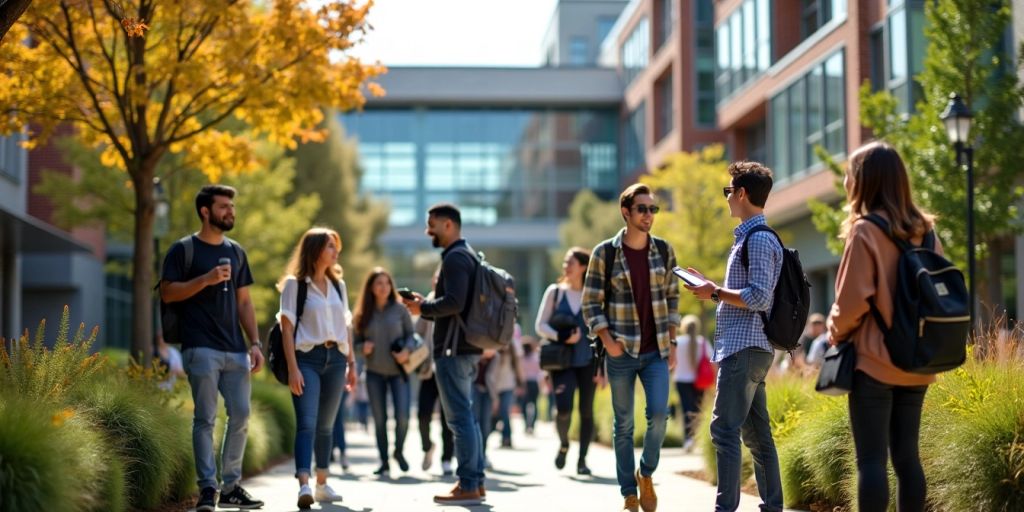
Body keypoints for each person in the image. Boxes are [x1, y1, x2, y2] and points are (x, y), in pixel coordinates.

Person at [827, 141, 938, 512]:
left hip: (874, 360)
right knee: (908, 459)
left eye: (849, 174)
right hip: (917, 360)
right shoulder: (926, 231)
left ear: (864, 181)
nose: (845, 180)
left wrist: (834, 334)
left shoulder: (865, 230)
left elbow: (851, 305)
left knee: (871, 461)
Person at [683, 161, 785, 512]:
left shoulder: (756, 239)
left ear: (741, 193)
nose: (727, 198)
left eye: (728, 191)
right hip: (752, 348)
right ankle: (772, 506)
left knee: (724, 432)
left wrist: (714, 292)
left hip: (744, 348)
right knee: (757, 436)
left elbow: (759, 296)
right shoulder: (750, 237)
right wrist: (711, 285)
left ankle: (724, 509)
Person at [159, 184, 265, 511]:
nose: (230, 211)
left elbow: (245, 302)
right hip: (200, 347)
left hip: (235, 349)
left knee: (242, 415)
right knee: (205, 418)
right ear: (206, 211)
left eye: (232, 206)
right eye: (224, 206)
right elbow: (166, 293)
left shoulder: (237, 252)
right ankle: (208, 488)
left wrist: (256, 343)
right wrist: (204, 280)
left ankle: (231, 486)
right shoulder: (183, 250)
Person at [582, 184, 679, 512]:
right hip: (620, 352)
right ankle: (628, 493)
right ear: (626, 212)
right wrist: (608, 341)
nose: (649, 215)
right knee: (623, 425)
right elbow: (590, 303)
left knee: (660, 416)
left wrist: (674, 341)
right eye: (642, 209)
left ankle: (645, 473)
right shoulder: (604, 253)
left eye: (653, 209)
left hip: (656, 352)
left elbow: (672, 298)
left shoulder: (664, 251)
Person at [402, 203, 486, 506]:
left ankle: (467, 483)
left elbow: (455, 303)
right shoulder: (467, 255)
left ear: (448, 224)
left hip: (453, 349)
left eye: (432, 224)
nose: (428, 231)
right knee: (467, 416)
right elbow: (453, 302)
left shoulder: (455, 258)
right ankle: (476, 481)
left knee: (459, 418)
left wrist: (421, 309)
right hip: (465, 346)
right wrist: (428, 303)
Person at [276, 227, 356, 509]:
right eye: (330, 247)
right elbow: (286, 332)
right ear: (315, 250)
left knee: (327, 425)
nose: (336, 252)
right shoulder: (293, 286)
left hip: (335, 360)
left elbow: (346, 326)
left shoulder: (338, 286)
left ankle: (323, 483)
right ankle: (304, 485)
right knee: (307, 423)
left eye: (336, 247)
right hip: (306, 359)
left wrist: (352, 363)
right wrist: (293, 368)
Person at [535, 247, 597, 475]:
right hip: (561, 362)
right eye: (565, 262)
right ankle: (563, 444)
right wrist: (562, 336)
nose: (566, 266)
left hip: (589, 361)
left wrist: (604, 369)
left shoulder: (592, 295)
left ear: (582, 266)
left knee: (586, 411)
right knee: (563, 409)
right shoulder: (555, 292)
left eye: (570, 262)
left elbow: (601, 331)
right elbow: (540, 325)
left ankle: (582, 460)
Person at [352, 267, 416, 477]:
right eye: (379, 283)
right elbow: (355, 343)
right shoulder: (362, 313)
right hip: (374, 373)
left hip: (398, 372)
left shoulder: (399, 309)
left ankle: (398, 451)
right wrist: (363, 349)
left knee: (403, 416)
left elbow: (411, 336)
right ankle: (384, 461)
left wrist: (407, 350)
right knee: (379, 419)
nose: (383, 287)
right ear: (371, 287)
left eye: (387, 283)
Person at [415, 270, 456, 476]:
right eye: (436, 278)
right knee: (423, 414)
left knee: (448, 417)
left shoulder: (453, 302)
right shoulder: (428, 301)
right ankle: (427, 446)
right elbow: (418, 332)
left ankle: (447, 458)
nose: (438, 282)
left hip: (448, 369)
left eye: (442, 278)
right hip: (427, 371)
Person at [673, 314, 713, 453]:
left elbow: (672, 362)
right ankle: (696, 439)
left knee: (686, 409)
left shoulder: (677, 341)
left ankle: (688, 440)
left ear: (683, 327)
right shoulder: (702, 342)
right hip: (699, 381)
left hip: (681, 380)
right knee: (698, 410)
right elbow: (712, 361)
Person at [517, 336, 541, 435]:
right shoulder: (536, 357)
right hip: (534, 383)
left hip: (525, 383)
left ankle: (527, 424)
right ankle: (532, 426)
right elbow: (539, 372)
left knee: (524, 405)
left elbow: (519, 372)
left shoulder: (520, 358)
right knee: (534, 404)